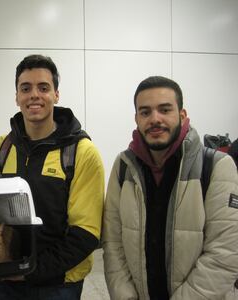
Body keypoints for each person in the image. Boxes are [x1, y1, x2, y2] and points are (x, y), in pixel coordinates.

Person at [102, 75, 238, 299]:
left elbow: (225, 254)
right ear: (136, 118)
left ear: (182, 115)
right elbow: (113, 244)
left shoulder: (216, 167)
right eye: (145, 112)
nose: (155, 119)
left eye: (165, 110)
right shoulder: (123, 166)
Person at [0, 54, 104, 299]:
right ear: (17, 97)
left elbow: (86, 233)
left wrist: (31, 271)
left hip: (59, 283)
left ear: (56, 95)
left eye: (43, 87)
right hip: (6, 280)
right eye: (25, 88)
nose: (34, 95)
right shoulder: (2, 148)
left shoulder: (81, 152)